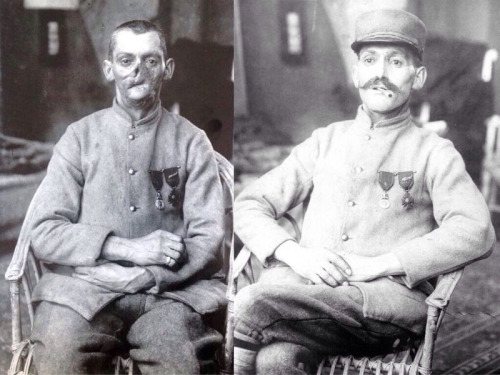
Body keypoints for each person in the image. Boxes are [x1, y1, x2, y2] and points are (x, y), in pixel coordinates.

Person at [233, 8, 495, 374]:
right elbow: (249, 204)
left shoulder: (434, 151)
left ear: (417, 77)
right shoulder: (325, 141)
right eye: (369, 60)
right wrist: (295, 254)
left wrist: (379, 265)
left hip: (383, 308)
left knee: (250, 303)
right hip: (304, 299)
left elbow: (477, 230)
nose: (380, 74)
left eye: (396, 61)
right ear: (356, 72)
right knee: (276, 360)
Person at [27, 20, 226, 374]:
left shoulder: (192, 141)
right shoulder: (79, 138)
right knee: (60, 360)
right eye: (125, 61)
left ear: (168, 69)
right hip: (83, 293)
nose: (138, 71)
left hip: (170, 297)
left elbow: (208, 239)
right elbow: (44, 231)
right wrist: (125, 249)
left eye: (150, 61)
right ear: (109, 70)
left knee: (180, 364)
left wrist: (147, 275)